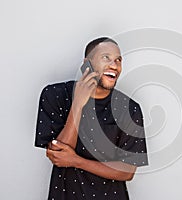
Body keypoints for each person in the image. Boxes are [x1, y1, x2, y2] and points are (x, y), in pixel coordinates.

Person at [35, 37, 148, 200]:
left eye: (118, 60)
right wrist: (77, 104)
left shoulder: (129, 109)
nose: (114, 65)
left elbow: (128, 171)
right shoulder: (54, 95)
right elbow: (58, 155)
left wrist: (76, 161)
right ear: (86, 64)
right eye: (106, 58)